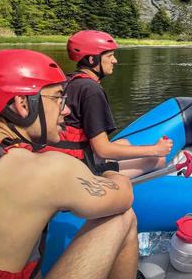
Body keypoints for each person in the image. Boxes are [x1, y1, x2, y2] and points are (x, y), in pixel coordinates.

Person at [0, 49, 137, 279]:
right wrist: (111, 172)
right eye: (58, 97)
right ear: (23, 104)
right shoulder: (47, 168)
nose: (66, 110)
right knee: (121, 218)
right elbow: (124, 196)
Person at [52, 30, 173, 178]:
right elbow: (102, 150)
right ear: (92, 60)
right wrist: (155, 150)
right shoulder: (91, 90)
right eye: (109, 56)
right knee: (157, 160)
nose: (114, 60)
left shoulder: (69, 80)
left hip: (62, 157)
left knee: (125, 143)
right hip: (78, 167)